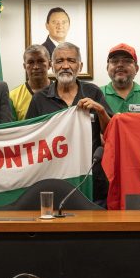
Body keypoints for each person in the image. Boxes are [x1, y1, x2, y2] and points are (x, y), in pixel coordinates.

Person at [27, 42, 111, 204]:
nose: (65, 66)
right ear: (52, 66)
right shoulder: (39, 99)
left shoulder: (93, 92)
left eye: (71, 61)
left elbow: (110, 133)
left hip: (90, 178)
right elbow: (30, 142)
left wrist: (100, 110)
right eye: (60, 61)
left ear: (80, 65)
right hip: (53, 178)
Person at [101, 43, 140, 114]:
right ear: (107, 68)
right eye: (114, 61)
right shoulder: (97, 94)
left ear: (136, 68)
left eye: (127, 61)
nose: (120, 65)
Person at [10, 44, 51, 120]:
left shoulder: (60, 91)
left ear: (50, 64)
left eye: (40, 61)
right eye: (31, 62)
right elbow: (12, 128)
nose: (36, 67)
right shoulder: (13, 96)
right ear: (24, 66)